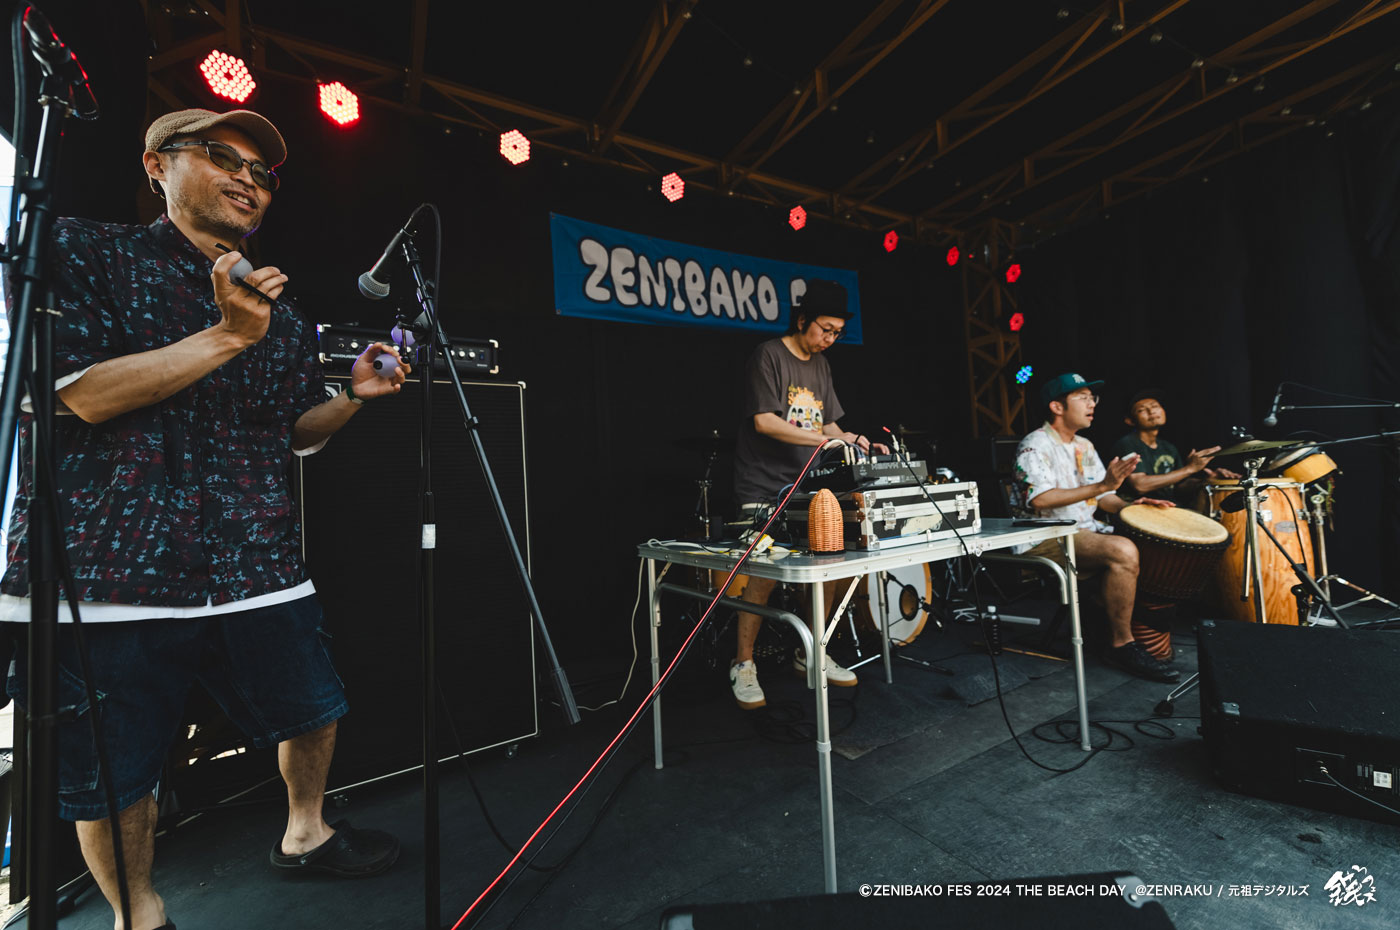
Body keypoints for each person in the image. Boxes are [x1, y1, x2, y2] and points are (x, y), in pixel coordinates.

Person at [1, 108, 405, 930]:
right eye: (224, 157)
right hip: (114, 573)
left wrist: (351, 398)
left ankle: (306, 833)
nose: (248, 180)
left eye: (263, 173)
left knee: (313, 709)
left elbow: (294, 431)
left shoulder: (278, 309)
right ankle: (141, 916)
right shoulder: (81, 250)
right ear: (157, 165)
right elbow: (76, 395)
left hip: (257, 565)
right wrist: (226, 337)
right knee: (115, 775)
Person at [728, 280, 887, 709]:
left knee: (831, 565)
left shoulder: (821, 366)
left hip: (808, 488)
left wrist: (853, 439)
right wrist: (824, 439)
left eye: (837, 333)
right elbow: (764, 421)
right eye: (825, 329)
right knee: (763, 571)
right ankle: (743, 663)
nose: (830, 339)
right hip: (763, 485)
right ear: (802, 320)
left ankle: (811, 651)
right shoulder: (768, 355)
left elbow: (828, 425)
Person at [1009, 373, 1180, 683]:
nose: (1092, 404)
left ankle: (1128, 626)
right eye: (1083, 398)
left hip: (1083, 532)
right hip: (1045, 535)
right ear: (1057, 407)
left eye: (1093, 398)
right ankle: (1121, 644)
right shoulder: (1035, 444)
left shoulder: (1084, 445)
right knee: (1122, 550)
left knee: (1152, 542)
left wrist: (1134, 507)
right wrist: (1103, 486)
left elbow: (1104, 497)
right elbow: (1041, 499)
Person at [1110, 389, 1238, 504]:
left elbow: (1179, 487)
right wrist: (1190, 468)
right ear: (1130, 420)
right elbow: (1140, 485)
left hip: (1167, 507)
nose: (1151, 411)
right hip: (1138, 508)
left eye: (1155, 406)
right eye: (1141, 410)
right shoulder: (1127, 444)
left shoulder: (1168, 447)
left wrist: (1206, 481)